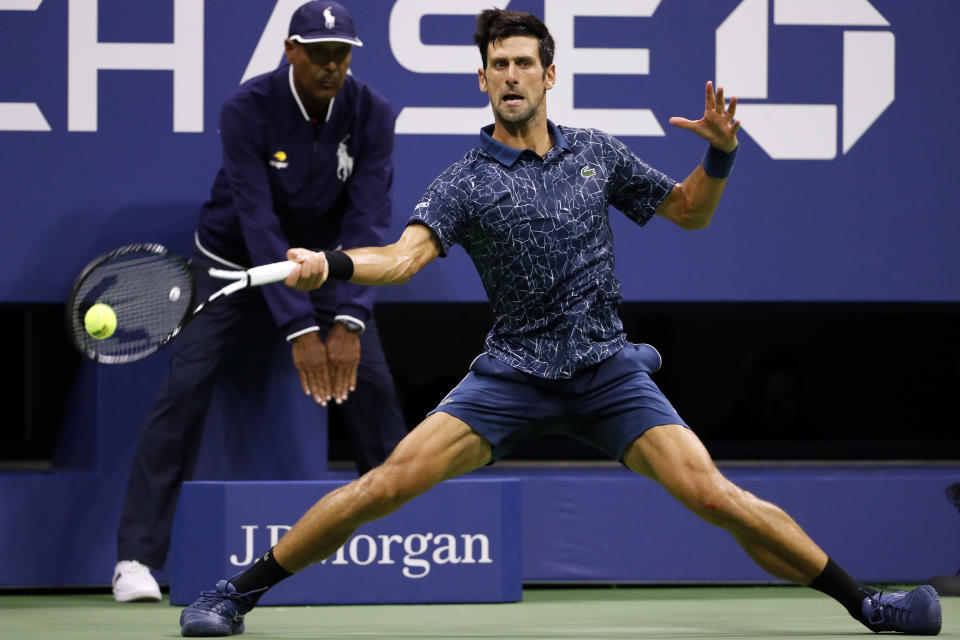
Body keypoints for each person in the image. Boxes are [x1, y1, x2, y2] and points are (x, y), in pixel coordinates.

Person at [176, 9, 943, 637]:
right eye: (498, 66)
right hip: (510, 375)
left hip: (605, 370)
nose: (511, 76)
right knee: (385, 486)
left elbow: (686, 215)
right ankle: (231, 595)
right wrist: (332, 264)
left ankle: (868, 604)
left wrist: (718, 162)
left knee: (712, 495)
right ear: (482, 81)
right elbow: (404, 259)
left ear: (549, 75)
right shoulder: (464, 183)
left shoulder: (596, 155)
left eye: (523, 63)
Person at [111, 0, 407, 604]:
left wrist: (348, 316)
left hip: (324, 261)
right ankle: (136, 558)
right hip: (233, 261)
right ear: (291, 51)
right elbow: (256, 216)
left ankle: (411, 538)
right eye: (319, 53)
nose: (331, 66)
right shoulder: (247, 108)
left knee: (370, 384)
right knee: (183, 389)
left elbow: (371, 217)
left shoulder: (372, 112)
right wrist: (300, 330)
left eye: (341, 55)